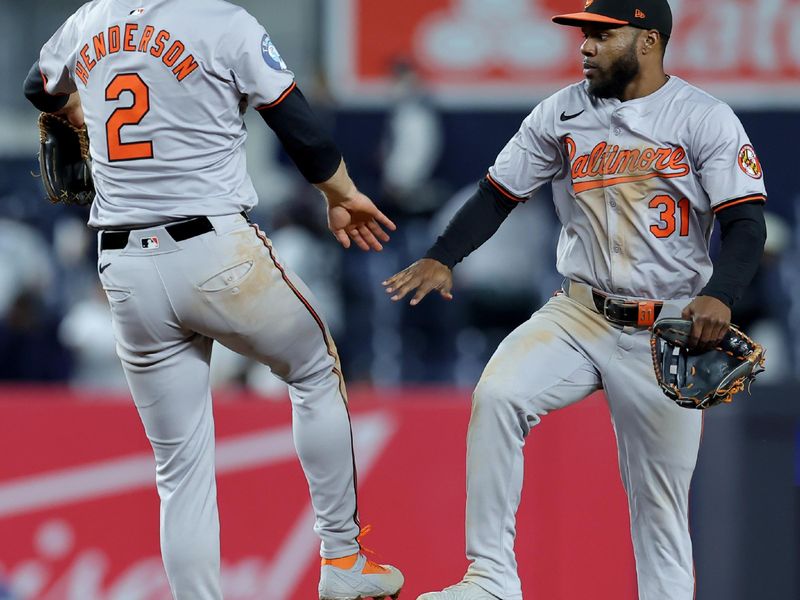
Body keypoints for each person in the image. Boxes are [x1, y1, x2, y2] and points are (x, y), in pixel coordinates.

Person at [383, 0, 768, 598]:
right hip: (578, 313)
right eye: (584, 33)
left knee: (659, 509)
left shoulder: (703, 118)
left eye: (601, 34)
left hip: (665, 328)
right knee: (499, 395)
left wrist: (721, 293)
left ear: (648, 40)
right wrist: (442, 255)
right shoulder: (560, 112)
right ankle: (490, 579)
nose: (585, 45)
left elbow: (747, 223)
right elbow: (497, 194)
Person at [23, 2, 403, 599]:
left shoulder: (89, 20)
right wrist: (343, 193)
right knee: (313, 367)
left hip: (124, 265)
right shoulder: (221, 22)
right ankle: (343, 556)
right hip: (212, 250)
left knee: (179, 470)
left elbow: (38, 85)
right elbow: (297, 125)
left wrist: (75, 113)